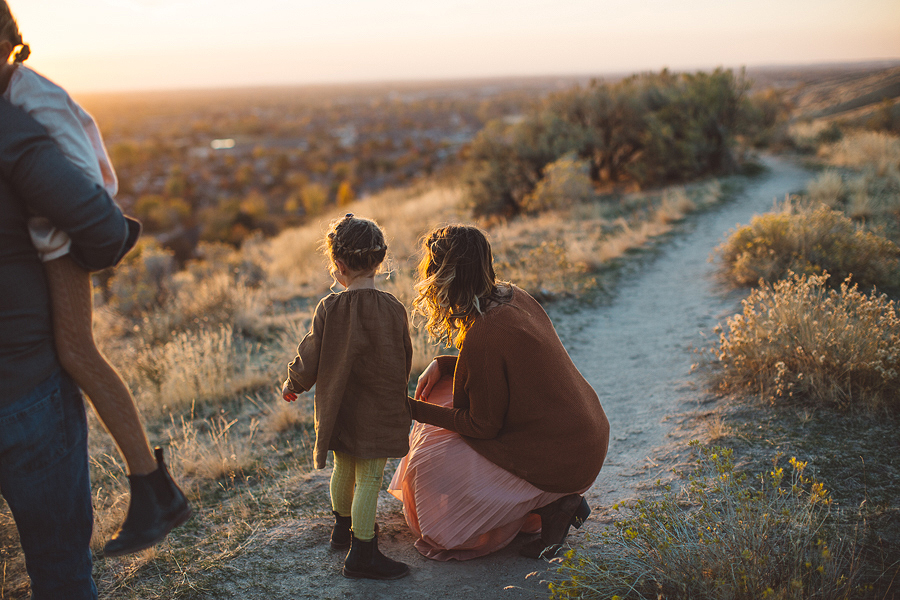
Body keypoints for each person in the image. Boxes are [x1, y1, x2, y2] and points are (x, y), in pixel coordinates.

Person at [0, 1, 190, 557]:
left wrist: (64, 229)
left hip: (58, 240)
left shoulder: (29, 99)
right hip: (49, 235)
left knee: (77, 351)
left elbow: (84, 185)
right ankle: (154, 487)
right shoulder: (19, 90)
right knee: (79, 351)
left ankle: (154, 488)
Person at [388, 225, 610, 560]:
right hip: (583, 441)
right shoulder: (511, 295)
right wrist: (445, 365)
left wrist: (410, 409)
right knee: (439, 400)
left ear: (445, 277)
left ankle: (554, 500)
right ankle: (555, 504)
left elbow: (482, 426)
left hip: (563, 458)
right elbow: (507, 369)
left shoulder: (485, 333)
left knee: (429, 463)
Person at [281, 214, 413, 580]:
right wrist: (396, 393)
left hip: (339, 405)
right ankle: (363, 553)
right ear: (379, 262)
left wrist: (294, 384)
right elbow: (405, 356)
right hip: (378, 407)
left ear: (338, 266)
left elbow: (310, 354)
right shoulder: (393, 308)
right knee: (369, 477)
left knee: (344, 467)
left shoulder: (329, 308)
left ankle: (343, 529)